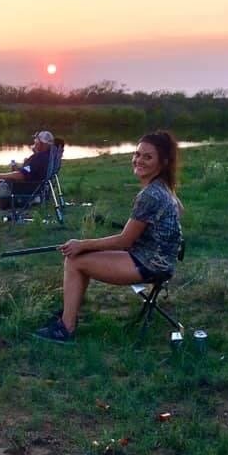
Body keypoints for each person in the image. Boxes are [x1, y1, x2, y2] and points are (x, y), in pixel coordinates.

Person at [35, 130, 183, 343]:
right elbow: (176, 212)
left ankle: (65, 329)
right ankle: (71, 310)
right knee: (81, 255)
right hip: (157, 258)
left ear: (164, 162)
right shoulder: (165, 188)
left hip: (151, 264)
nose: (139, 160)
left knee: (74, 261)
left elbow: (125, 241)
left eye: (148, 157)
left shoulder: (150, 194)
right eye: (137, 154)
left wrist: (82, 244)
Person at [0, 130, 55, 233]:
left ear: (41, 143)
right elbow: (26, 172)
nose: (34, 142)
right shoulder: (46, 156)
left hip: (19, 192)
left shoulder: (39, 158)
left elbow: (22, 175)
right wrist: (17, 168)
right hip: (27, 188)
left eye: (36, 141)